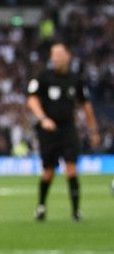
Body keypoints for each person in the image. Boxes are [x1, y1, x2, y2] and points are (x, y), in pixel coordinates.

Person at [27, 42, 100, 222]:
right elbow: (32, 100)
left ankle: (76, 211)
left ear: (68, 56)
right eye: (53, 54)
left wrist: (93, 130)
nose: (55, 58)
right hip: (48, 131)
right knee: (48, 171)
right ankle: (41, 207)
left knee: (71, 169)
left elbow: (86, 105)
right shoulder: (43, 77)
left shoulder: (76, 79)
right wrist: (43, 119)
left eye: (59, 54)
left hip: (68, 128)